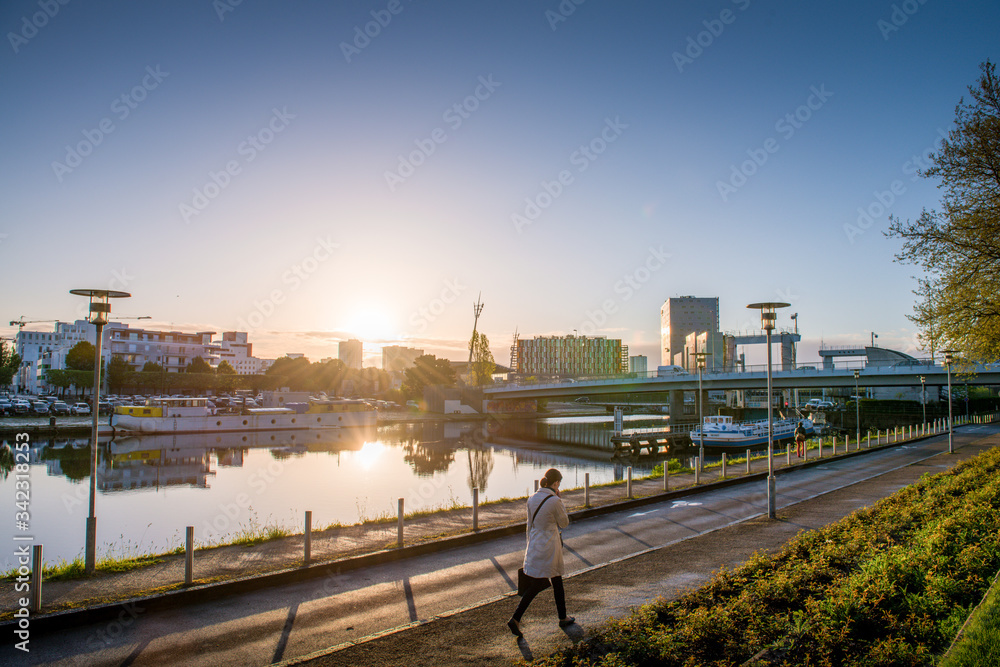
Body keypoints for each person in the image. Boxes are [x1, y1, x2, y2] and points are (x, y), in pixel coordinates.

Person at [508, 468, 574, 637]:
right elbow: (564, 523)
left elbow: (529, 525)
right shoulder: (555, 501)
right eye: (559, 483)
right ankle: (515, 618)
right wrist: (561, 501)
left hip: (535, 544)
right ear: (556, 483)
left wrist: (529, 546)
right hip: (550, 547)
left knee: (553, 581)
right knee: (545, 582)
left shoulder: (531, 499)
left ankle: (562, 617)